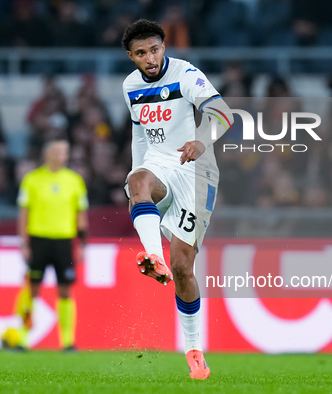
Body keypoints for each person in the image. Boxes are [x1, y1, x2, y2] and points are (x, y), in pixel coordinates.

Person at [121, 19, 233, 380]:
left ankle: (194, 349)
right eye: (141, 53)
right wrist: (137, 176)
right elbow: (140, 135)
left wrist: (203, 139)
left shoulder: (186, 75)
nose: (150, 58)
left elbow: (223, 113)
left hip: (196, 171)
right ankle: (153, 255)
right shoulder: (130, 87)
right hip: (159, 165)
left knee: (184, 266)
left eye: (154, 50)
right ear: (131, 56)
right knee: (137, 182)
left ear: (163, 47)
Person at [15, 139, 89, 351]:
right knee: (32, 288)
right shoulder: (32, 180)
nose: (62, 156)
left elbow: (81, 214)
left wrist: (82, 244)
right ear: (47, 153)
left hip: (64, 241)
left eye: (65, 152)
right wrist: (24, 242)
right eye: (58, 151)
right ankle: (23, 337)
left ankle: (67, 341)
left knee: (65, 290)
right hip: (38, 239)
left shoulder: (75, 180)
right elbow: (23, 213)